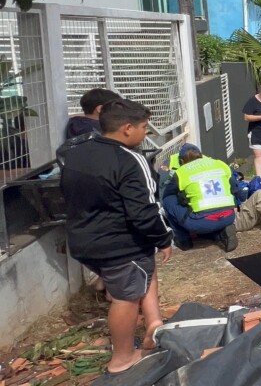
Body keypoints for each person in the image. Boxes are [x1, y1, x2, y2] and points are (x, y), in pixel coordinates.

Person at [57, 99, 172, 374]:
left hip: (83, 240)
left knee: (143, 269)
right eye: (144, 128)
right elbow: (144, 210)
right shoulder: (130, 160)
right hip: (119, 244)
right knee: (126, 297)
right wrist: (164, 238)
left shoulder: (76, 153)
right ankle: (123, 358)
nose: (146, 133)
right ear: (127, 128)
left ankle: (154, 323)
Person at [161, 144, 238, 252]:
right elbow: (235, 188)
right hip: (229, 217)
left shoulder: (181, 172)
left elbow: (167, 193)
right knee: (209, 221)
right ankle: (221, 233)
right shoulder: (219, 164)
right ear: (201, 156)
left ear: (181, 161)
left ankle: (183, 240)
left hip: (201, 222)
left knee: (168, 200)